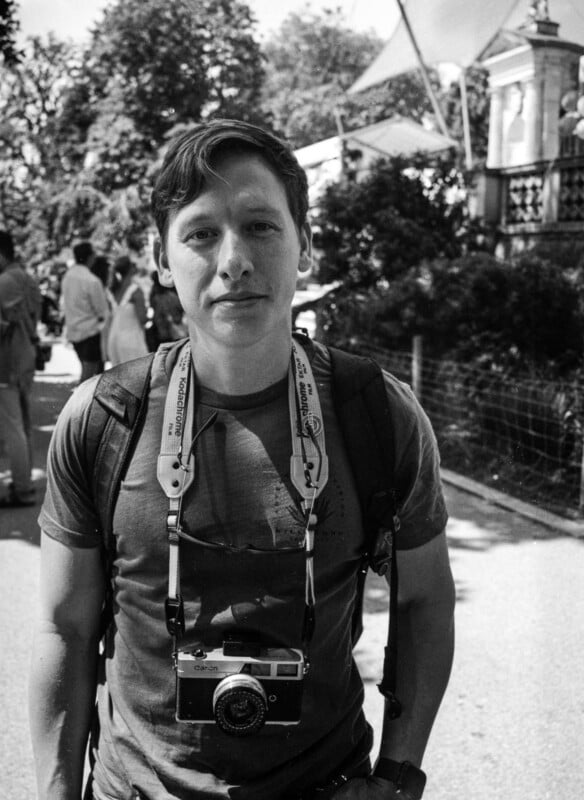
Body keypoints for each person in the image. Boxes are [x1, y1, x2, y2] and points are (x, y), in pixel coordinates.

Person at [31, 120, 455, 800]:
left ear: (305, 244)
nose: (233, 259)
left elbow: (426, 601)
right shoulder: (103, 419)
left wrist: (399, 778)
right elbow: (66, 626)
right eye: (200, 233)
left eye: (261, 225)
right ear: (161, 257)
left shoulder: (379, 416)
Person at [0, 230, 41, 508]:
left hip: (1, 359)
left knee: (11, 428)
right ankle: (23, 482)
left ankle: (22, 489)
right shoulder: (30, 280)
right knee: (22, 425)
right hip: (26, 355)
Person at [61, 241, 110, 382]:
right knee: (89, 377)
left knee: (86, 373)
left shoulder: (67, 277)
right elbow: (102, 310)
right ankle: (82, 403)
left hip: (74, 330)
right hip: (90, 332)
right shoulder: (91, 280)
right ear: (90, 257)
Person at [106, 254, 149, 366]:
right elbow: (142, 318)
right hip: (132, 340)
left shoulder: (112, 291)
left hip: (113, 340)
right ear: (131, 269)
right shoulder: (135, 290)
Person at [146, 269, 187, 350]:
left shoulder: (153, 295)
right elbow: (180, 307)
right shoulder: (169, 295)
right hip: (176, 329)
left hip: (162, 332)